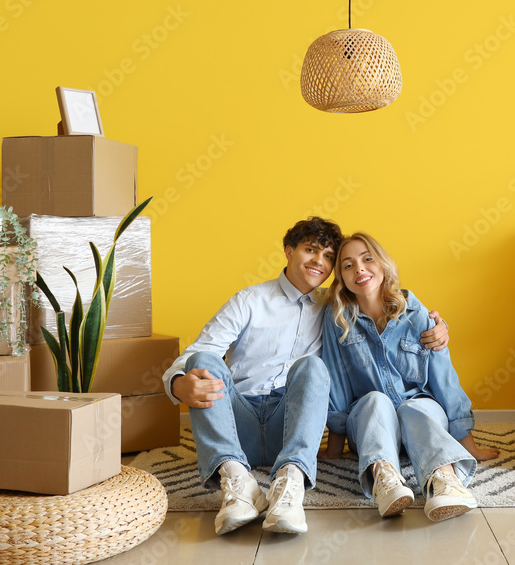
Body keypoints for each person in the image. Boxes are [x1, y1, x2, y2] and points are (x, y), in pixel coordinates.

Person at [161, 217, 449, 536]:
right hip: (237, 425)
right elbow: (197, 352)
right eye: (310, 250)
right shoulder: (250, 300)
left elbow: (383, 312)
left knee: (312, 366)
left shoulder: (336, 305)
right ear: (289, 251)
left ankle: (291, 481)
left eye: (328, 256)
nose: (319, 261)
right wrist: (177, 384)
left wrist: (434, 324)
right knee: (204, 359)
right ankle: (237, 480)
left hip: (290, 428)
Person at [319, 232, 498, 522]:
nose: (360, 269)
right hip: (370, 424)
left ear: (383, 264)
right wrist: (334, 448)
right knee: (375, 400)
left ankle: (445, 480)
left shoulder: (418, 315)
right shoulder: (338, 319)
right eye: (348, 265)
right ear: (340, 277)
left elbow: (444, 377)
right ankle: (386, 481)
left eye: (367, 259)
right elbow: (336, 380)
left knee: (413, 405)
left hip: (421, 415)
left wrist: (469, 444)